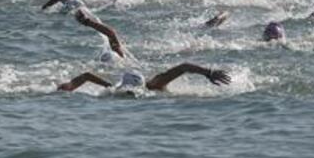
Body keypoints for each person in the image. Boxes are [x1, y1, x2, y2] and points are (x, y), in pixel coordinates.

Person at [58, 63, 231, 94]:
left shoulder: (154, 85)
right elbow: (87, 75)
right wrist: (70, 85)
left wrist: (208, 72)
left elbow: (183, 67)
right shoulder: (115, 90)